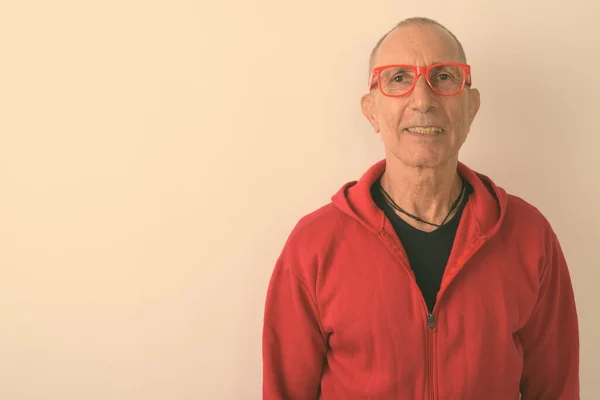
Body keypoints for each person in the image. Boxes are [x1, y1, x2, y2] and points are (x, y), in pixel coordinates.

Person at [261, 17, 579, 400]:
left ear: (471, 106)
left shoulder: (530, 237)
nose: (423, 100)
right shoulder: (313, 246)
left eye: (444, 77)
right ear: (371, 110)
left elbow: (556, 390)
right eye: (398, 79)